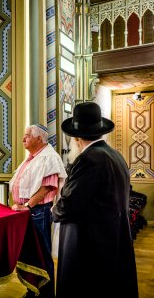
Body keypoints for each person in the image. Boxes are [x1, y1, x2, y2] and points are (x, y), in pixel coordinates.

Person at [52, 102, 138, 298]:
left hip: (88, 246)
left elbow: (70, 205)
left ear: (76, 137)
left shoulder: (88, 159)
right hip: (112, 239)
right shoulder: (115, 155)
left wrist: (54, 210)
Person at [9, 124, 67, 298]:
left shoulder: (49, 157)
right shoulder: (33, 157)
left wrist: (27, 206)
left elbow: (48, 187)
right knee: (30, 254)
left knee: (41, 254)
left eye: (27, 136)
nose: (23, 139)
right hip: (28, 211)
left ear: (38, 139)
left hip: (37, 211)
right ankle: (33, 289)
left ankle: (46, 294)